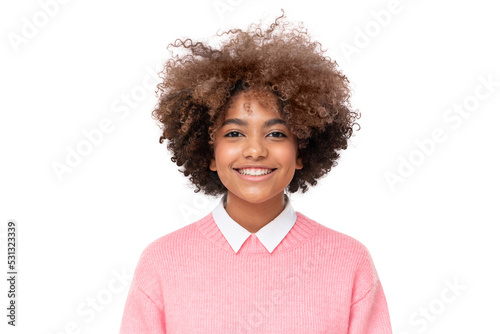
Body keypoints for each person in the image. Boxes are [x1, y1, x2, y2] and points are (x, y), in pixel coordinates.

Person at [119, 10, 392, 334]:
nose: (255, 150)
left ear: (301, 149)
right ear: (209, 152)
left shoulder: (349, 262)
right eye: (234, 133)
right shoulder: (161, 263)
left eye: (276, 133)